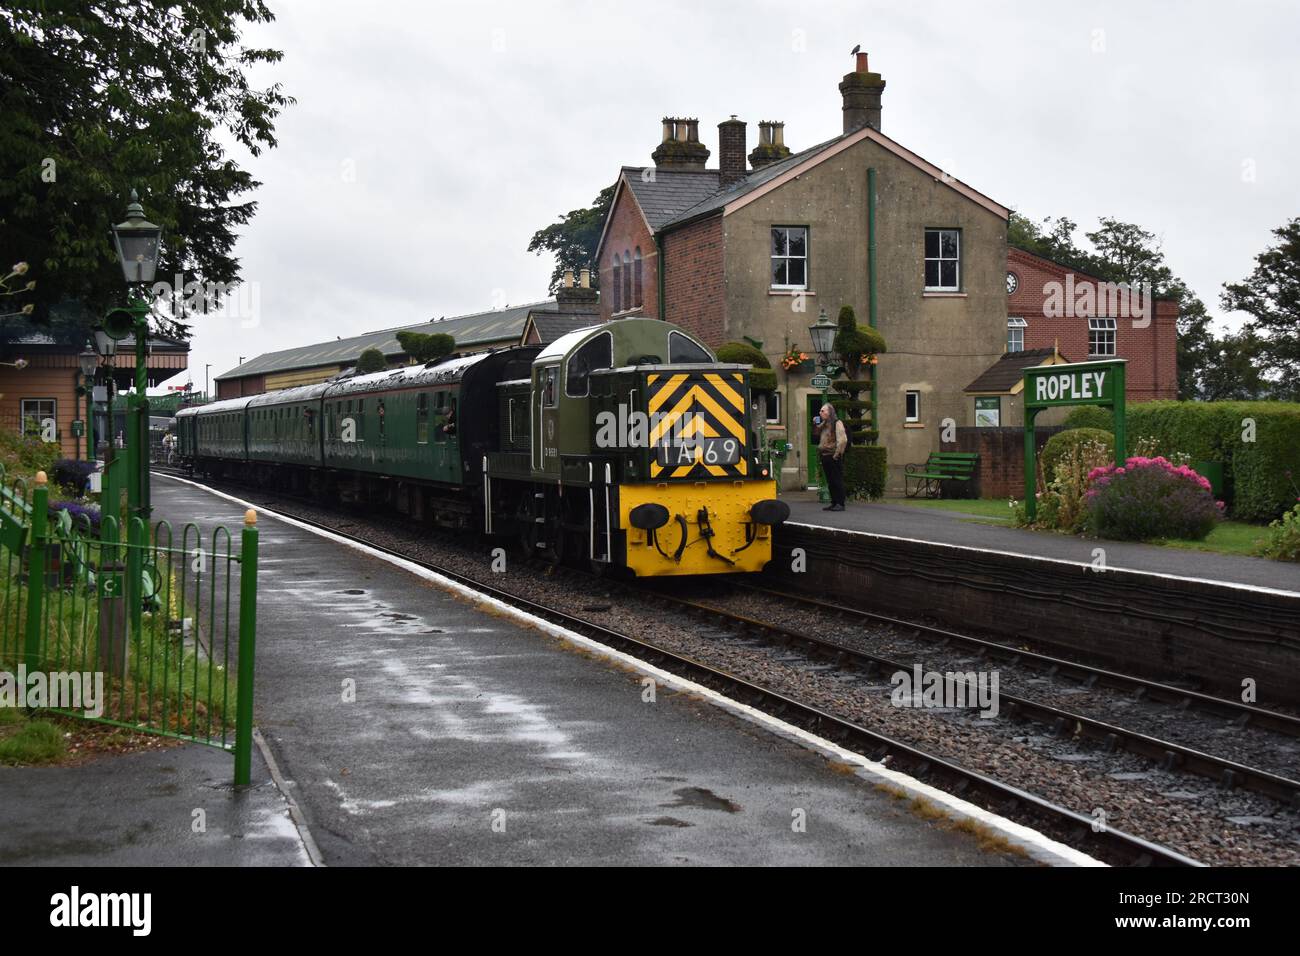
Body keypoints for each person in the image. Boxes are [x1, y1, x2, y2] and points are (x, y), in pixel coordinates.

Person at [816, 402, 848, 511]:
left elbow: (843, 440)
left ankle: (840, 503)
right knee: (830, 481)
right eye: (820, 411)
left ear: (829, 412)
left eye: (823, 411)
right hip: (825, 455)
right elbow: (816, 433)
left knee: (836, 480)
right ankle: (834, 502)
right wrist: (815, 425)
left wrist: (837, 454)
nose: (820, 413)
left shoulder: (837, 423)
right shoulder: (825, 424)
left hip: (833, 455)